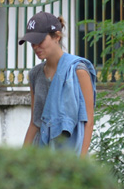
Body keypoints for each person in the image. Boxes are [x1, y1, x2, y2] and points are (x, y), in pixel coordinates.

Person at [19, 11, 96, 157]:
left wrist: (81, 163)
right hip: (40, 155)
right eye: (32, 42)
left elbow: (89, 121)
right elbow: (35, 123)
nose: (35, 46)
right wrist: (21, 161)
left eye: (40, 40)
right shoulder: (35, 74)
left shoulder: (78, 70)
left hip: (69, 156)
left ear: (57, 36)